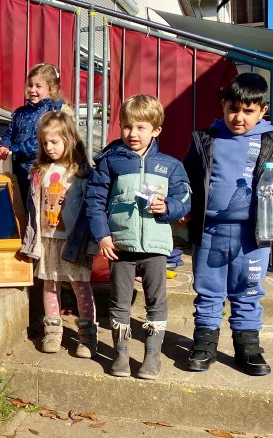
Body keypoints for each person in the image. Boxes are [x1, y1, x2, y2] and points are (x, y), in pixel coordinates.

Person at [183, 72, 273, 376]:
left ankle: (247, 346)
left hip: (253, 235)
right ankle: (204, 343)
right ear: (222, 106)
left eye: (248, 111)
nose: (239, 117)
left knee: (248, 288)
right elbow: (186, 178)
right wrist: (181, 203)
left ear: (262, 111)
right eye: (232, 108)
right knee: (208, 289)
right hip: (210, 232)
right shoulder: (205, 138)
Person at [85, 94, 191, 380]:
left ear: (156, 130)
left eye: (141, 127)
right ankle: (120, 354)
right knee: (120, 301)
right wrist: (102, 236)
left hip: (155, 248)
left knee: (156, 301)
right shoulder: (111, 162)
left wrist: (168, 207)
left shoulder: (171, 166)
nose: (133, 134)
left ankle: (152, 356)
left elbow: (185, 198)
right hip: (120, 246)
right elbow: (94, 201)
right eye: (128, 126)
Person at [19, 111, 96, 358]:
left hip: (73, 240)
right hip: (48, 238)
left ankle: (87, 334)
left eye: (54, 142)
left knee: (80, 286)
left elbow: (90, 207)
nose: (49, 147)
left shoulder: (81, 171)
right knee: (50, 284)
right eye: (44, 143)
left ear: (69, 139)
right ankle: (52, 330)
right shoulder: (40, 170)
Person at [0, 63, 72, 202]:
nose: (32, 90)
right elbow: (9, 134)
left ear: (51, 88)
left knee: (39, 206)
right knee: (19, 206)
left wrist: (14, 150)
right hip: (18, 171)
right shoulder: (21, 113)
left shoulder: (54, 111)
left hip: (43, 171)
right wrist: (2, 146)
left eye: (38, 86)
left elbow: (40, 143)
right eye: (30, 85)